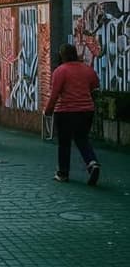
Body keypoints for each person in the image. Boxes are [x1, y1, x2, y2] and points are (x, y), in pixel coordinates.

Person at [45, 43, 101, 185]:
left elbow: (55, 94)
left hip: (65, 112)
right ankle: (92, 162)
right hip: (86, 111)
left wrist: (49, 109)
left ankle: (63, 173)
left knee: (64, 143)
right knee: (82, 138)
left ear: (62, 56)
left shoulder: (60, 71)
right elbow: (95, 87)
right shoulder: (88, 70)